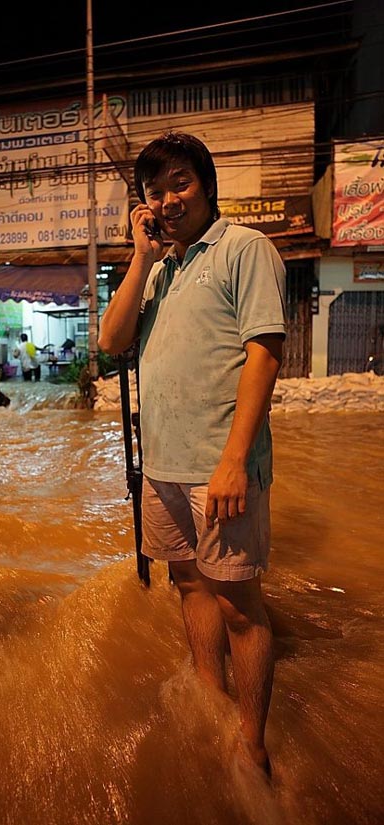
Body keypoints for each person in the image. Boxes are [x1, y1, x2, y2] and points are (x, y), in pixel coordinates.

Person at [98, 132, 286, 779]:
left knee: (239, 603)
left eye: (179, 182)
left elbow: (264, 351)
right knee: (187, 584)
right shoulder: (159, 269)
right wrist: (139, 257)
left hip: (221, 467)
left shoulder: (244, 249)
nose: (169, 199)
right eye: (156, 191)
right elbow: (110, 339)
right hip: (163, 468)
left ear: (206, 183)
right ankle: (212, 697)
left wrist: (235, 457)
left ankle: (252, 741)